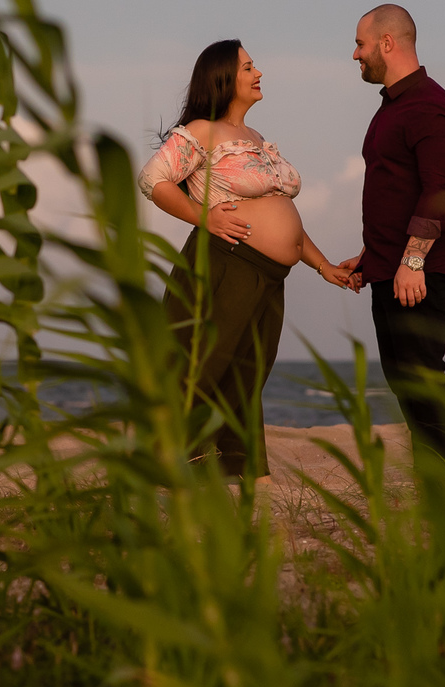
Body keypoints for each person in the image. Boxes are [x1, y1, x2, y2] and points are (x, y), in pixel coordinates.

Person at [138, 39, 357, 481]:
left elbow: (283, 217)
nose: (259, 73)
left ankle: (227, 467)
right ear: (223, 78)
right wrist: (204, 216)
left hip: (270, 275)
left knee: (246, 372)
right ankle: (169, 465)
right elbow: (152, 180)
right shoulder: (202, 131)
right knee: (203, 367)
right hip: (226, 263)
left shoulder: (257, 140)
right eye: (248, 67)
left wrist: (321, 264)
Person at [339, 4, 445, 468]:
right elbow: (397, 193)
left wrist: (412, 261)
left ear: (387, 43)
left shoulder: (430, 107)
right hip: (392, 267)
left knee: (421, 375)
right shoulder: (393, 106)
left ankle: (439, 479)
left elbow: (440, 191)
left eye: (360, 44)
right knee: (401, 376)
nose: (355, 55)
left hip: (422, 269)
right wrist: (372, 255)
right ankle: (433, 475)